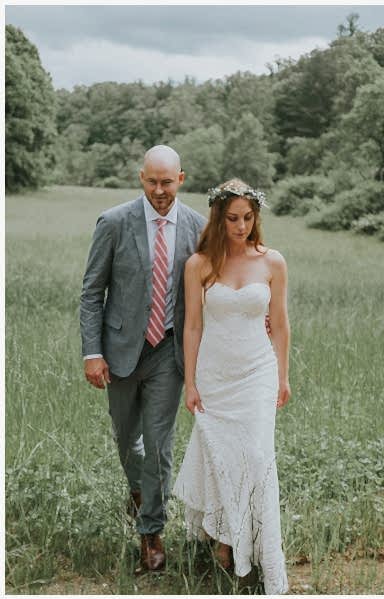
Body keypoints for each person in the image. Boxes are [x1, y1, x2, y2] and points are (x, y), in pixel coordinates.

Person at [80, 145, 207, 573]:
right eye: (152, 181)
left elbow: (216, 288)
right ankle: (140, 491)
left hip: (168, 355)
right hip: (118, 355)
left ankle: (151, 532)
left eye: (167, 182)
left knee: (158, 447)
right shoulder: (114, 222)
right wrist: (92, 352)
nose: (159, 190)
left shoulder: (198, 228)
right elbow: (92, 293)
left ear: (181, 179)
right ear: (141, 178)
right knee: (125, 439)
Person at [172, 178, 290, 593]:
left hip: (257, 372)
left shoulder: (272, 261)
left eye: (247, 218)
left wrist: (283, 375)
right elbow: (191, 325)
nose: (240, 226)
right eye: (232, 219)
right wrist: (190, 382)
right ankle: (224, 540)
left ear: (255, 217)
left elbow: (280, 323)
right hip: (214, 375)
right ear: (218, 220)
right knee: (221, 457)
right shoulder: (199, 264)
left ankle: (255, 549)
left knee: (256, 457)